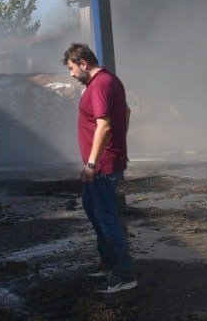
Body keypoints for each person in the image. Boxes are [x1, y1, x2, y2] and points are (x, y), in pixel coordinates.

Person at [63, 43, 137, 294]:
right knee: (93, 209)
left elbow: (104, 126)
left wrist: (93, 163)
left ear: (84, 63)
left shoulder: (100, 85)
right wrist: (118, 143)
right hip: (103, 162)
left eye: (72, 68)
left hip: (101, 166)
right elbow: (126, 112)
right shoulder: (105, 82)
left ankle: (123, 274)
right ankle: (109, 264)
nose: (71, 74)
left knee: (106, 218)